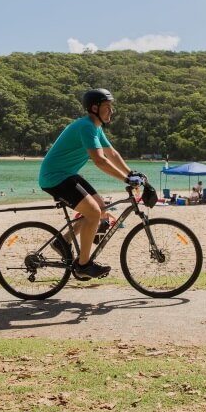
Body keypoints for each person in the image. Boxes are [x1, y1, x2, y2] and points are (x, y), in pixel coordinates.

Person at [38, 88, 136, 280]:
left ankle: (63, 241)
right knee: (93, 213)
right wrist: (126, 179)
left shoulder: (95, 127)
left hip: (67, 175)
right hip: (54, 178)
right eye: (107, 107)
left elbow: (112, 154)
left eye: (111, 107)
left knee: (101, 208)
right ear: (94, 108)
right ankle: (83, 265)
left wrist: (131, 173)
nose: (111, 111)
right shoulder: (86, 127)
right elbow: (100, 160)